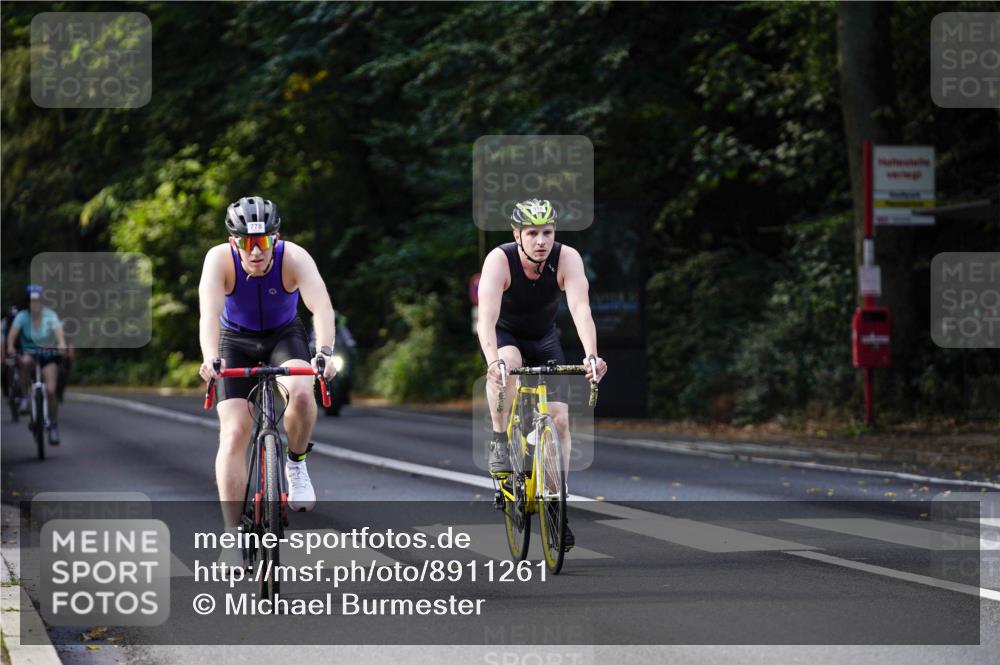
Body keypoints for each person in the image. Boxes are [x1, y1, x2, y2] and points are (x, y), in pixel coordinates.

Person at [198, 196, 337, 538]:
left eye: (264, 241)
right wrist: (210, 357)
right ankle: (231, 534)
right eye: (248, 242)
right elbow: (209, 314)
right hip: (235, 340)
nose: (257, 251)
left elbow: (321, 307)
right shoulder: (219, 259)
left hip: (283, 337)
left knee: (303, 395)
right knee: (233, 433)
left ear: (276, 238)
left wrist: (325, 352)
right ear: (235, 242)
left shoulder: (294, 257)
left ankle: (296, 463)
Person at [475, 198, 608, 550]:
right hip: (506, 337)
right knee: (508, 368)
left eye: (547, 232)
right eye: (532, 233)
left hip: (545, 339)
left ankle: (554, 505)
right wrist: (493, 362)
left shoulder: (567, 259)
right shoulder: (499, 260)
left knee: (560, 421)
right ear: (516, 234)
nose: (540, 241)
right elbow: (485, 319)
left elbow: (581, 309)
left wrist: (591, 356)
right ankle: (500, 439)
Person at [5, 285, 68, 442]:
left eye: (38, 301)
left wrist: (61, 344)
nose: (35, 304)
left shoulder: (50, 315)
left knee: (51, 390)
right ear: (27, 303)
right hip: (29, 354)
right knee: (24, 362)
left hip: (48, 355)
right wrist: (11, 346)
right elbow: (12, 334)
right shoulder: (22, 316)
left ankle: (53, 425)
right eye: (32, 301)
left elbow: (59, 332)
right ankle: (25, 396)